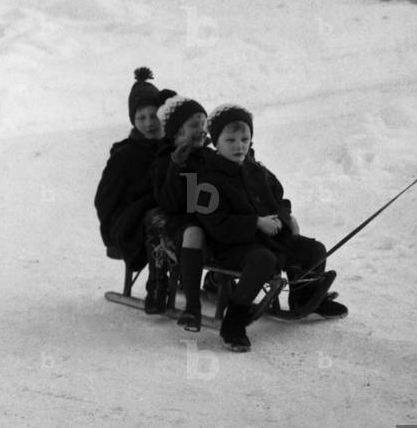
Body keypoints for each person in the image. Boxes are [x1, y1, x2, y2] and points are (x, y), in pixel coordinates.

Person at [193, 105, 347, 352]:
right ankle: (234, 322)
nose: (239, 146)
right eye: (230, 140)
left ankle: (304, 296)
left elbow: (281, 200)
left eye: (245, 139)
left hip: (268, 238)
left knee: (314, 250)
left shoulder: (257, 171)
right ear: (215, 142)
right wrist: (255, 222)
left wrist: (279, 219)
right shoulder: (206, 179)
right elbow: (213, 223)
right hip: (228, 245)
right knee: (263, 260)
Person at [94, 68, 178, 313]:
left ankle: (216, 275)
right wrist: (113, 234)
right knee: (158, 219)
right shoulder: (126, 154)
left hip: (171, 210)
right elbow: (104, 199)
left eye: (154, 116)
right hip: (134, 224)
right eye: (141, 118)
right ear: (134, 120)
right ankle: (157, 284)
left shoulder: (177, 145)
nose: (149, 123)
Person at [151, 94, 213, 330]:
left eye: (203, 124)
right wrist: (176, 168)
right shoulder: (165, 161)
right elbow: (168, 203)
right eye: (193, 126)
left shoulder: (210, 156)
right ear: (176, 133)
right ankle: (192, 308)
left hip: (214, 219)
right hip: (181, 224)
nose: (201, 130)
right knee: (194, 232)